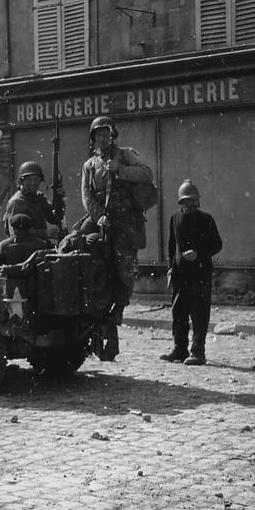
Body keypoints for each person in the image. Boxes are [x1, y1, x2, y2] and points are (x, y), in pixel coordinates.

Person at [80, 115, 155, 360]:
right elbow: (87, 195)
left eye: (106, 133)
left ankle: (120, 307)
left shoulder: (125, 155)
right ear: (93, 139)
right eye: (98, 134)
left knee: (126, 268)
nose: (103, 138)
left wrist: (121, 171)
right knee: (79, 246)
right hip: (103, 219)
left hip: (126, 222)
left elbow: (147, 174)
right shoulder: (90, 165)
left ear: (113, 135)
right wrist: (99, 215)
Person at [161, 180, 223, 366]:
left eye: (195, 200)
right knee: (178, 313)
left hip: (200, 274)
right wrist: (170, 269)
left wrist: (198, 253)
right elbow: (172, 247)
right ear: (181, 202)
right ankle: (179, 349)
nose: (192, 204)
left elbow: (217, 244)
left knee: (199, 313)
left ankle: (198, 352)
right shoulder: (174, 218)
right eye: (188, 201)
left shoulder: (206, 219)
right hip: (180, 274)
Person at [2, 161, 64, 240]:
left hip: (40, 244)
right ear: (22, 181)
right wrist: (45, 233)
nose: (33, 183)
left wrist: (59, 198)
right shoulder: (16, 202)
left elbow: (54, 218)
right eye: (29, 179)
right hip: (23, 246)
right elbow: (15, 233)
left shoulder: (39, 198)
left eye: (36, 179)